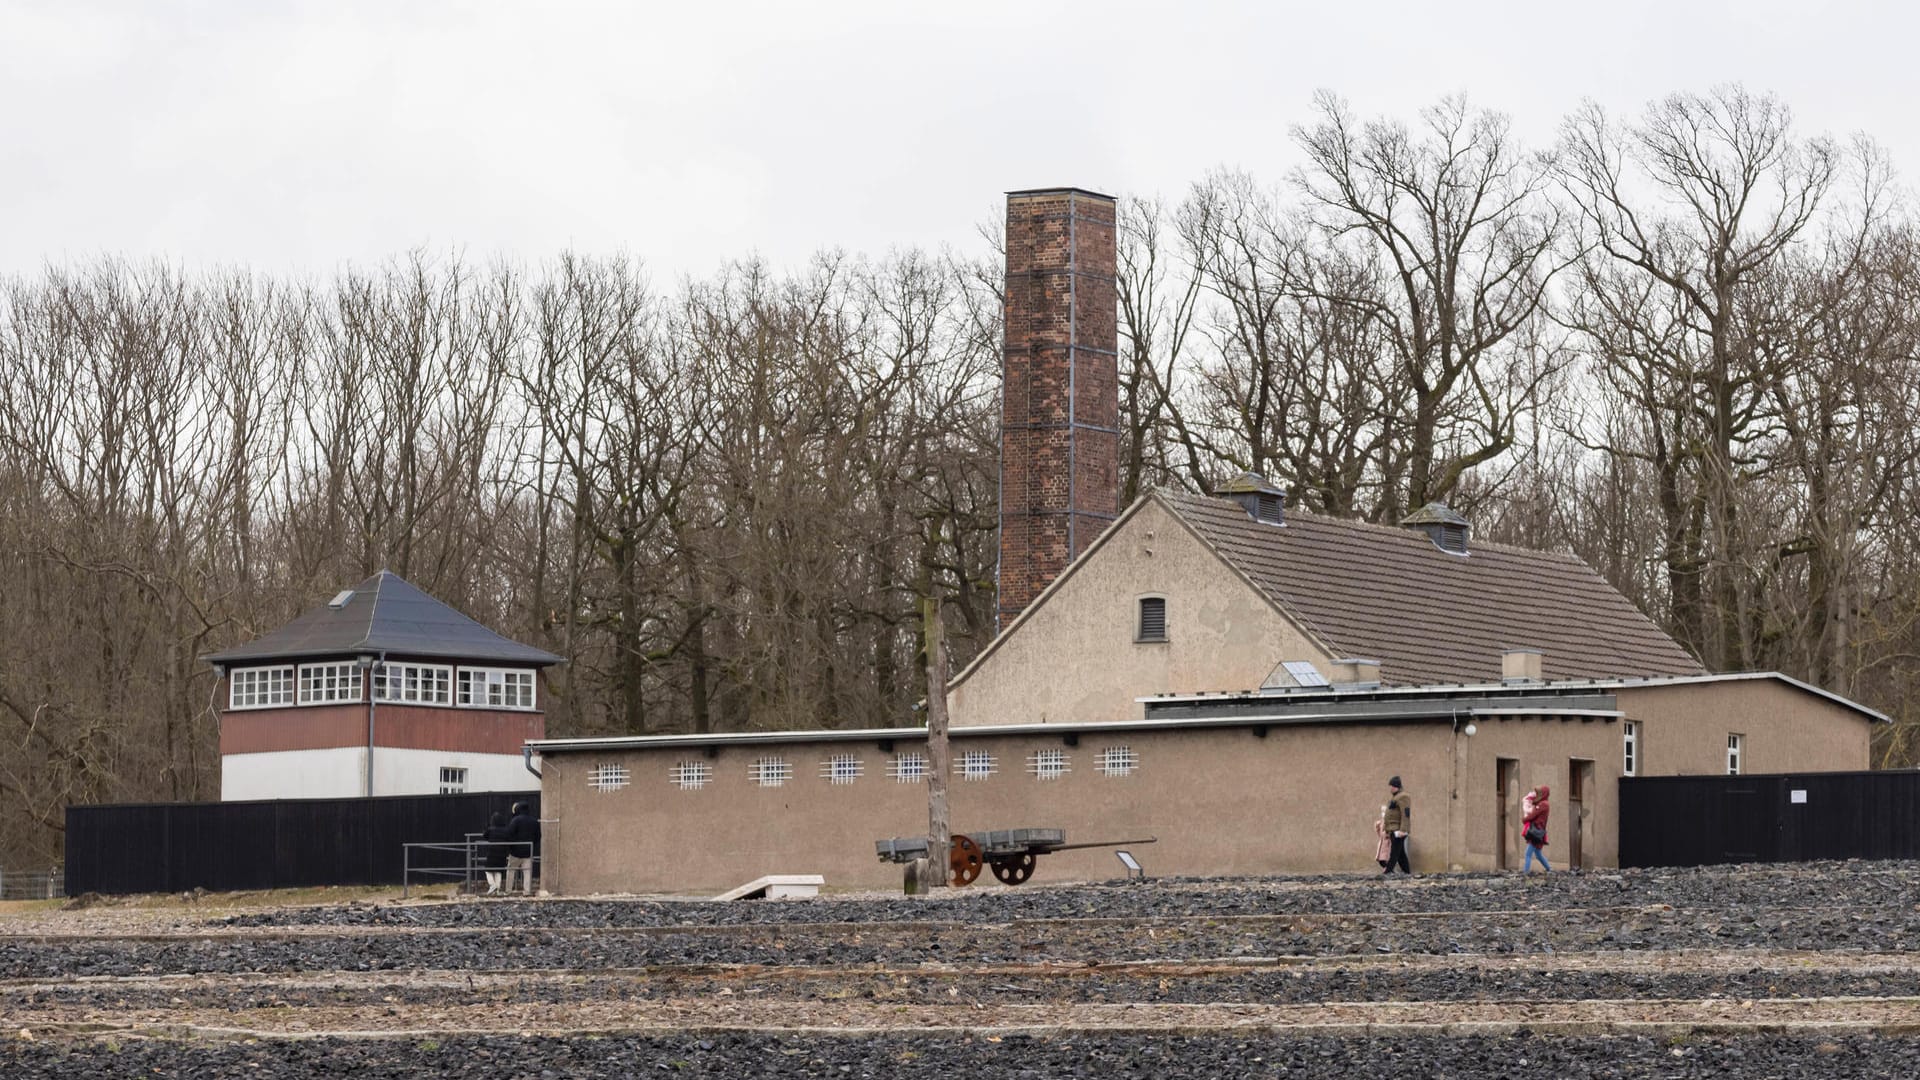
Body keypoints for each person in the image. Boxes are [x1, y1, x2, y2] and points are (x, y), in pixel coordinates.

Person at [506, 801, 541, 895]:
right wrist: (532, 844)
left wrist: (511, 846)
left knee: (510, 871)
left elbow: (510, 833)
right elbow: (538, 836)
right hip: (528, 851)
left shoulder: (515, 820)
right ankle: (527, 892)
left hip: (515, 852)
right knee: (527, 873)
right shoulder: (534, 821)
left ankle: (508, 890)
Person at [1381, 776, 1411, 875]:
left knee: (1394, 852)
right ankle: (1407, 872)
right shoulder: (1395, 797)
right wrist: (1386, 829)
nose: (1391, 788)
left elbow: (1405, 814)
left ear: (1397, 786)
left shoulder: (1403, 796)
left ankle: (1387, 871)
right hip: (1393, 829)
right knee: (1401, 854)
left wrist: (1403, 830)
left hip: (1398, 830)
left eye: (1392, 786)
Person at [1521, 784, 1552, 874]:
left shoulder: (1543, 804)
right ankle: (1549, 869)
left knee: (1528, 854)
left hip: (1536, 831)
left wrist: (1524, 819)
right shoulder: (1544, 803)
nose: (1537, 795)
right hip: (1539, 831)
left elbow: (1533, 815)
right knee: (1538, 854)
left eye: (1539, 793)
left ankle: (1525, 873)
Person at [481, 811, 512, 895]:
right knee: (498, 871)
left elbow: (485, 836)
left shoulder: (491, 830)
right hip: (502, 853)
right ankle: (497, 890)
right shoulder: (506, 830)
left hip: (492, 852)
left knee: (488, 870)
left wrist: (487, 827)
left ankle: (492, 885)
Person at [1373, 804, 1392, 870]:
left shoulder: (1389, 821)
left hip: (1387, 843)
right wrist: (1377, 826)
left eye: (1384, 811)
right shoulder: (1381, 821)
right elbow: (1379, 834)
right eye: (1382, 811)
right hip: (1382, 843)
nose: (1383, 813)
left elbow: (1390, 832)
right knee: (1381, 860)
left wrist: (1386, 833)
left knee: (1385, 859)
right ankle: (1387, 869)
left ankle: (1387, 870)